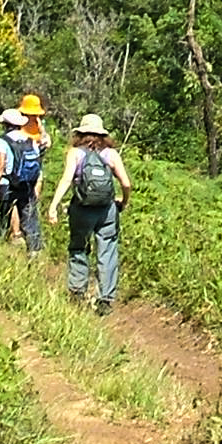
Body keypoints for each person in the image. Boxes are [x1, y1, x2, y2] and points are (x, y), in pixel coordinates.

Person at [46, 113, 132, 314]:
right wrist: (124, 202)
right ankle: (105, 299)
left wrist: (53, 206)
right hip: (107, 210)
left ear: (81, 133)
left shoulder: (75, 153)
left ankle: (77, 291)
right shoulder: (111, 154)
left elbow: (67, 180)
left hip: (81, 208)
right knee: (107, 250)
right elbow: (126, 183)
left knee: (79, 247)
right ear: (102, 134)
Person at [0, 108, 46, 255]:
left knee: (2, 216)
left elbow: (1, 164)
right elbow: (37, 162)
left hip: (7, 183)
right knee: (29, 217)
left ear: (6, 125)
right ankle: (35, 251)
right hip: (27, 183)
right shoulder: (30, 140)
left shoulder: (3, 140)